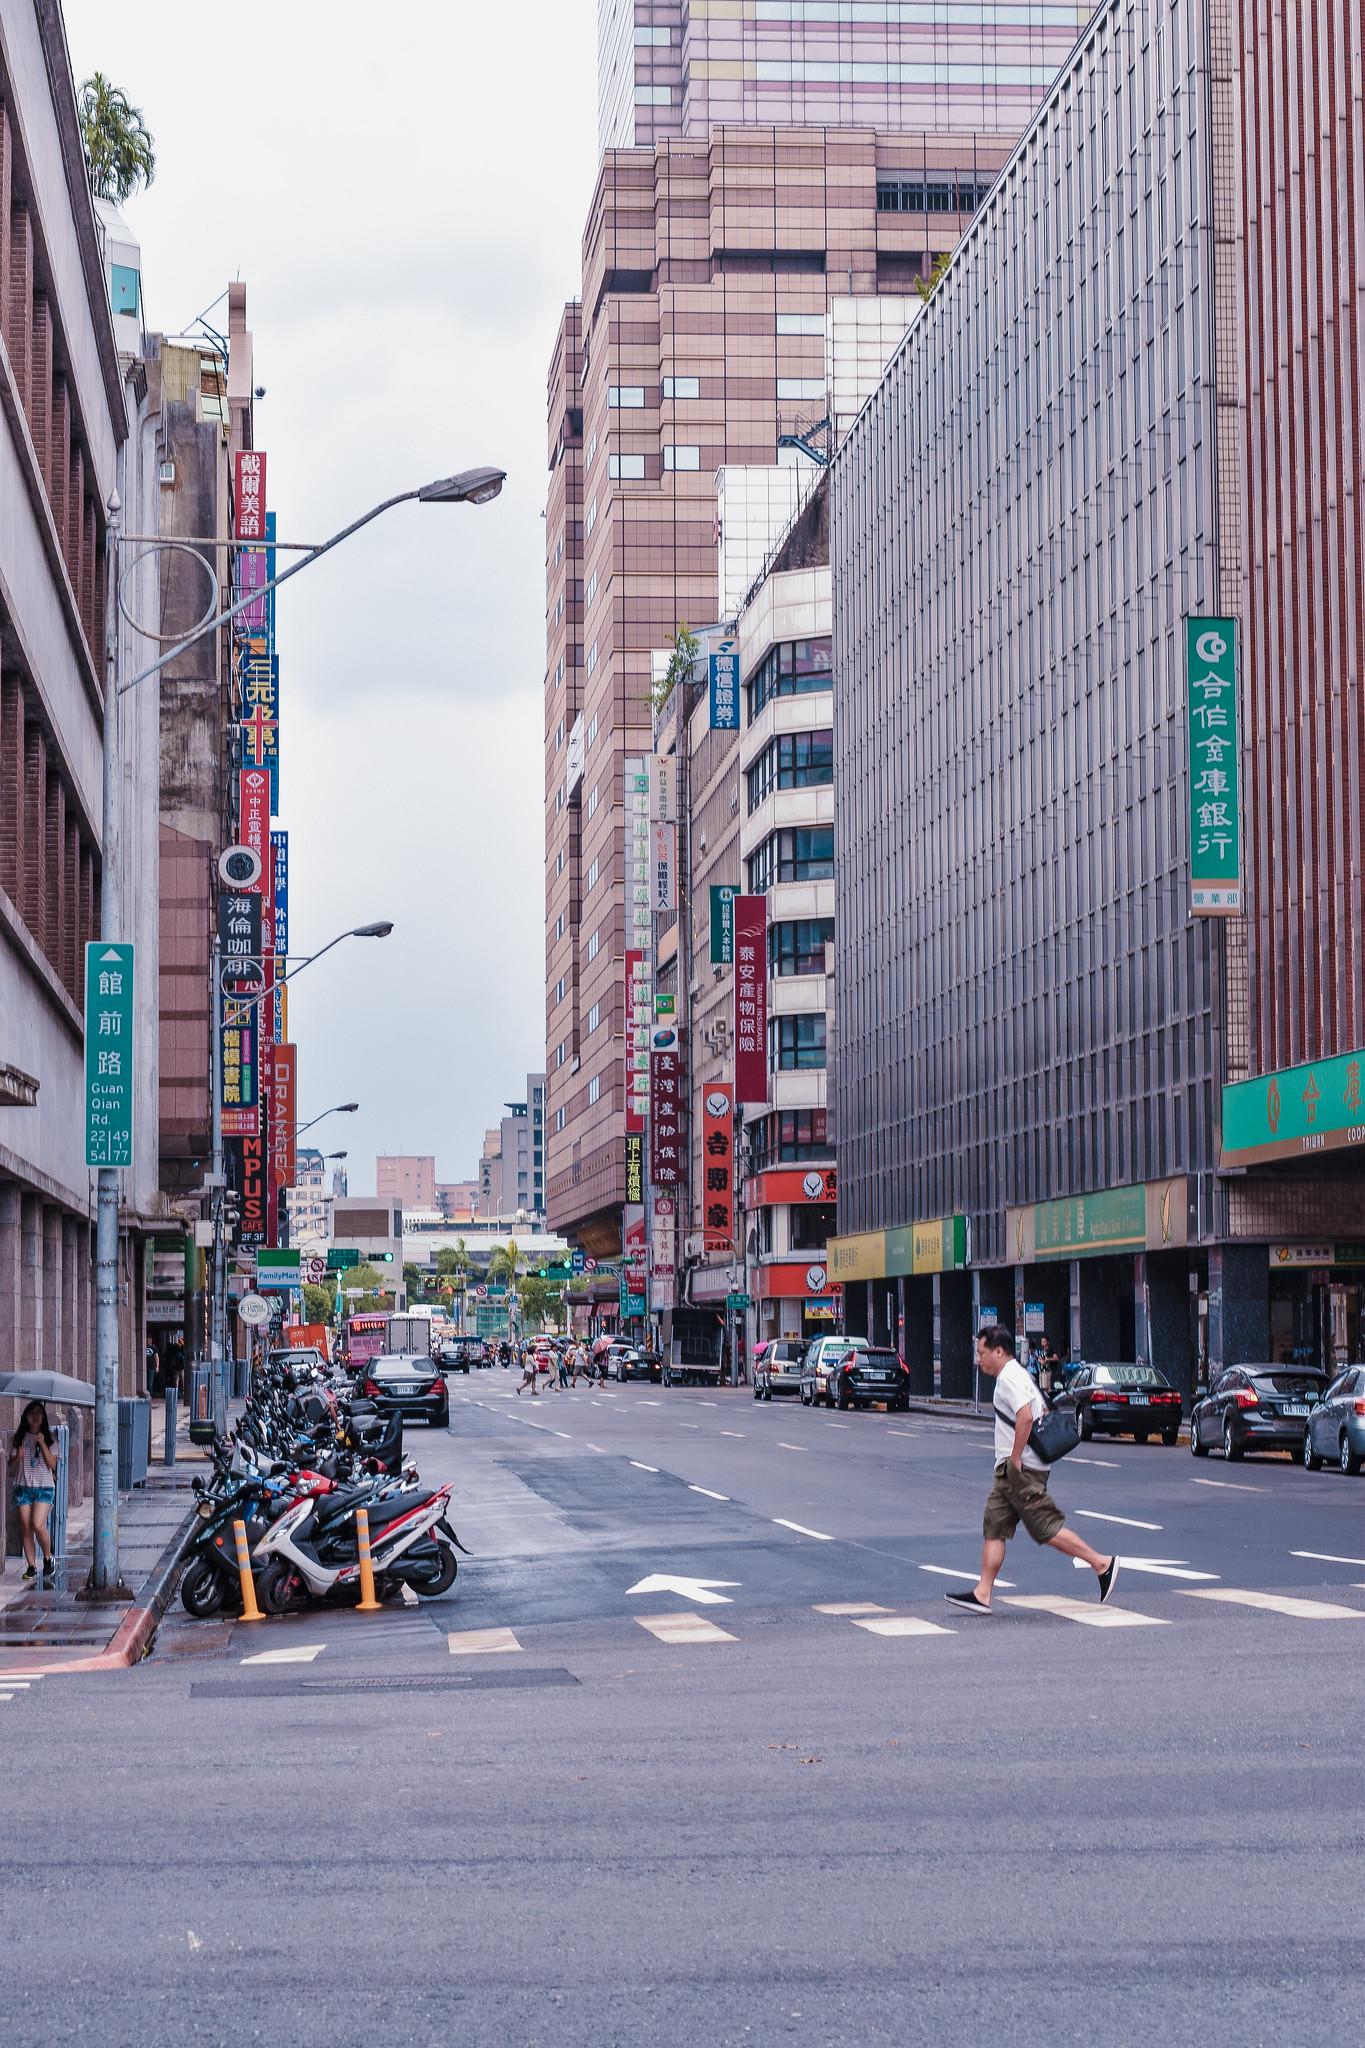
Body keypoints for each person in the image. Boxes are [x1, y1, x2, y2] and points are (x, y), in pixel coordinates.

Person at [945, 1326, 1118, 1616]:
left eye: (982, 1352)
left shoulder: (1009, 1378)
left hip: (1020, 1468)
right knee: (994, 1525)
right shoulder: (1016, 1374)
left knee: (1044, 1527)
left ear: (998, 1351)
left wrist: (1014, 1458)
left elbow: (1026, 1416)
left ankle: (1102, 1563)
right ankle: (983, 1592)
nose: (979, 1359)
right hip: (1013, 1468)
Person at [8, 1401, 59, 1581]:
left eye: (39, 1413)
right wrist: (16, 1457)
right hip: (23, 1487)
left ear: (43, 1417)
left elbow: (53, 1465)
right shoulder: (19, 1438)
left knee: (38, 1524)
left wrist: (43, 1443)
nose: (35, 1416)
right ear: (26, 1416)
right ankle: (31, 1566)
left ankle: (47, 1558)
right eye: (31, 1413)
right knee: (26, 1526)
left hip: (44, 1488)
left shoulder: (51, 1438)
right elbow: (10, 1467)